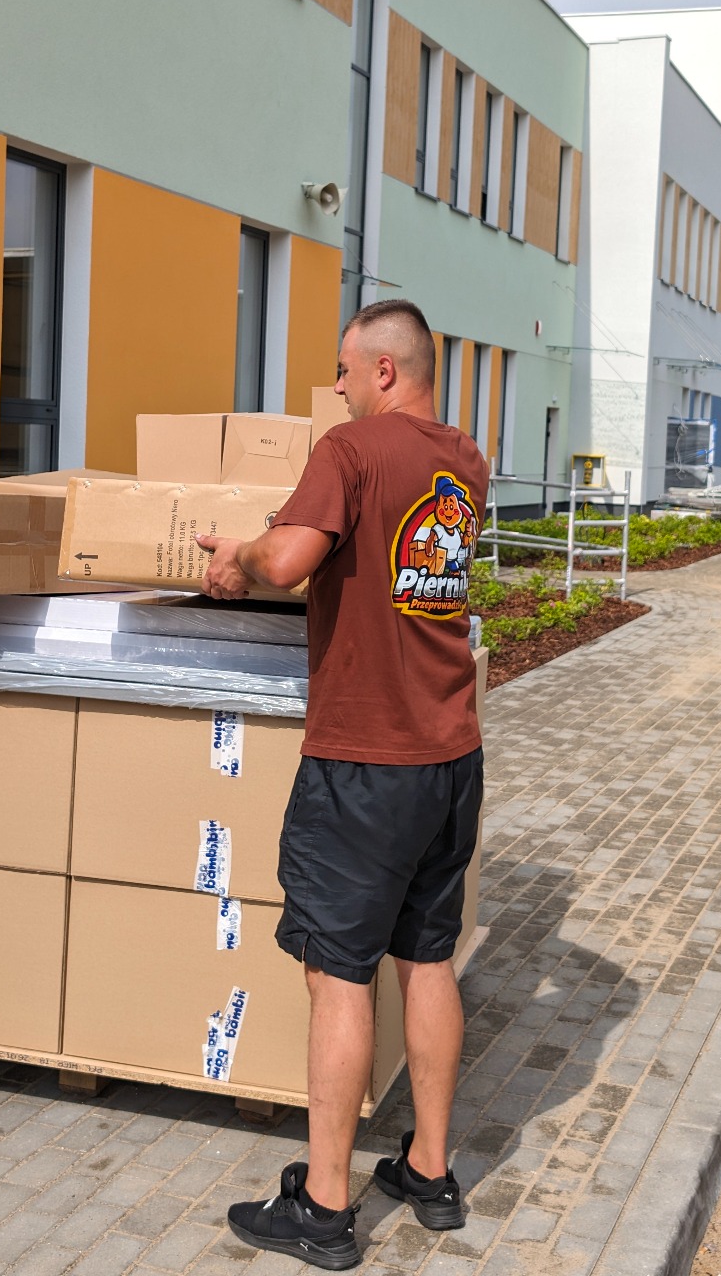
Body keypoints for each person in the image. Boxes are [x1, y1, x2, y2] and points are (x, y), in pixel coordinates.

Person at [199, 299, 487, 1271]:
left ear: (384, 371)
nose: (335, 388)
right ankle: (429, 1168)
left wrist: (236, 553)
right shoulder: (465, 462)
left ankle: (324, 1207)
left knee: (337, 974)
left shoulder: (352, 449)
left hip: (365, 759)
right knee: (430, 957)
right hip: (449, 753)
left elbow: (287, 559)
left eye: (343, 369)